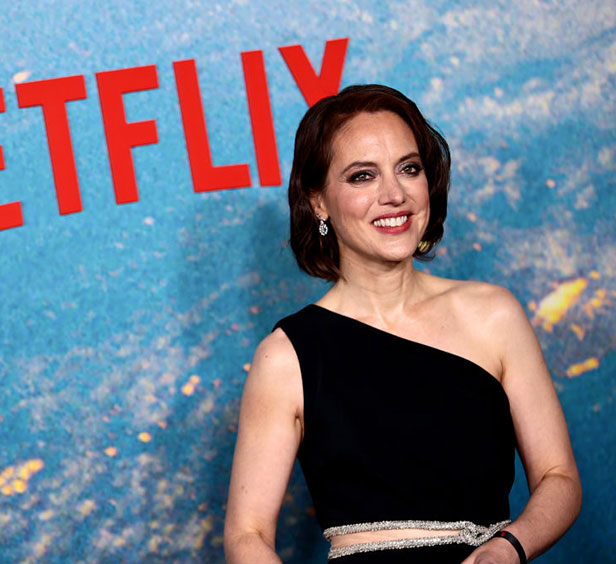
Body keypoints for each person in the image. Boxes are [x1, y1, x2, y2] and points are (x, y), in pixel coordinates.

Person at [223, 85, 581, 563]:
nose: (393, 195)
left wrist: (509, 548)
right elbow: (248, 536)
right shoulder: (286, 357)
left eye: (409, 169)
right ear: (319, 202)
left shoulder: (495, 315)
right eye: (362, 176)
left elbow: (559, 478)